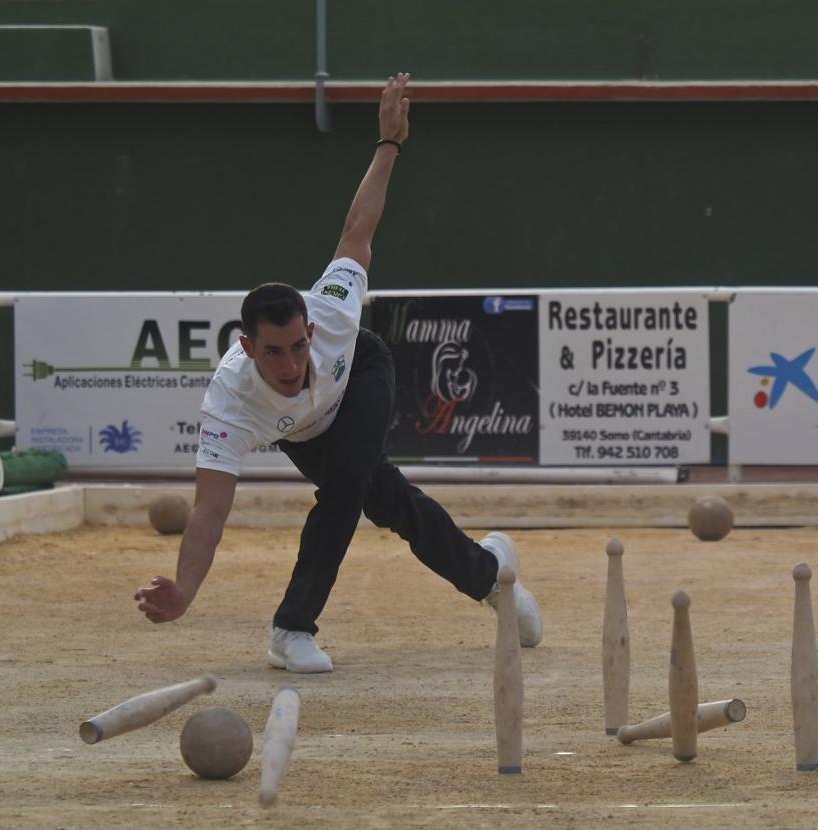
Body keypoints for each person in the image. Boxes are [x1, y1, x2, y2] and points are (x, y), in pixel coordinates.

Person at [134, 74, 543, 671]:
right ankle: (489, 572)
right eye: (274, 353)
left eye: (299, 346)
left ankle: (290, 629)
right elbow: (210, 510)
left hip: (362, 375)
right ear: (248, 348)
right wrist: (185, 592)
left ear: (312, 330)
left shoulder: (330, 307)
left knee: (349, 484)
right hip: (304, 432)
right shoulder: (229, 402)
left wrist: (389, 143)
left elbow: (358, 230)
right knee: (386, 499)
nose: (292, 364)